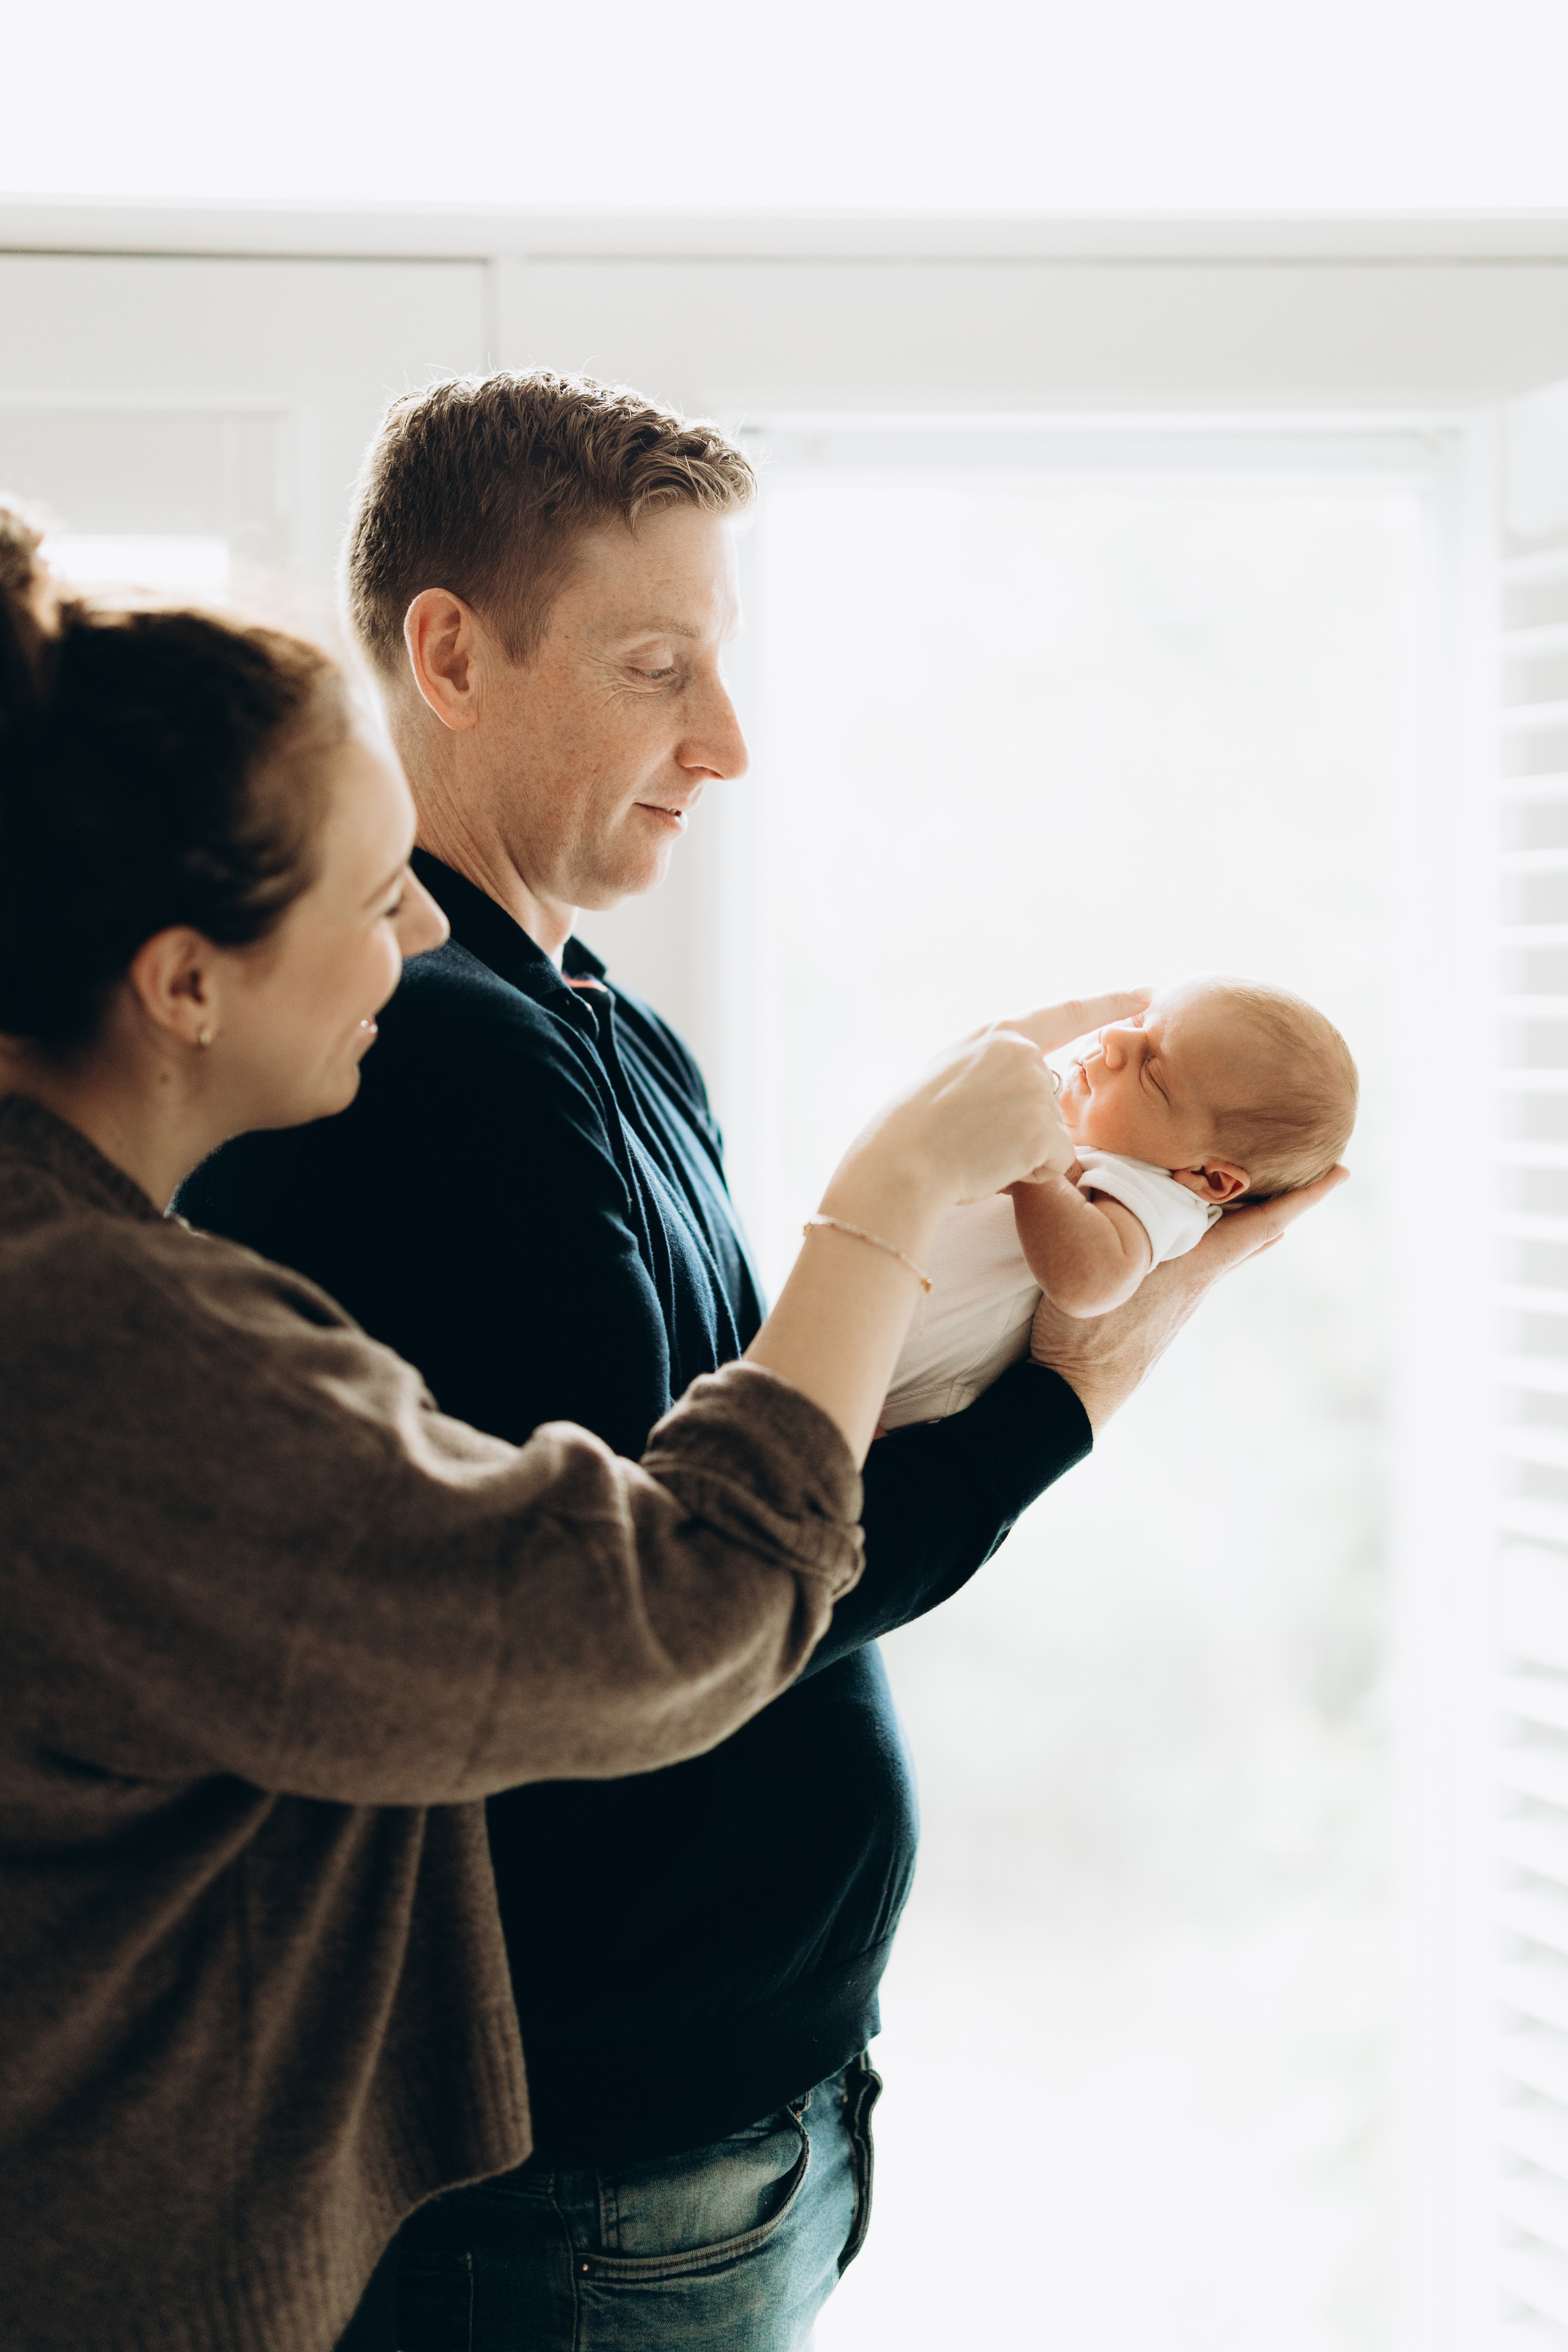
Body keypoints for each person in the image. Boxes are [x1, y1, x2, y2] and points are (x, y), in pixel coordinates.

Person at [181, 373, 1344, 2352]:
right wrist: (1069, 1394)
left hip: (722, 2123)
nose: (726, 745)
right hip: (593, 2172)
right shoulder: (434, 1070)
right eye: (658, 671)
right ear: (450, 654)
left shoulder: (604, 1029)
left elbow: (764, 1478)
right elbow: (673, 1613)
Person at [0, 508, 1072, 2352]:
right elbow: (658, 1609)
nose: (415, 928)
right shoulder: (103, 1339)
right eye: (364, 893)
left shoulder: (103, 1277)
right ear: (183, 983)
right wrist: (899, 1206)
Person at [883, 974, 1357, 1426]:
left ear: (1209, 1178)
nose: (1113, 1041)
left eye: (1152, 1072)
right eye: (1136, 1024)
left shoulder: (1158, 1192)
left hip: (900, 1400)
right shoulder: (1098, 1149)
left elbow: (1092, 1283)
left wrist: (1039, 1170)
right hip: (862, 1330)